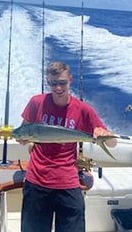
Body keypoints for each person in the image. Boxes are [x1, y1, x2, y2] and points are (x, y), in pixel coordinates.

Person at [18, 61, 117, 232]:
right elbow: (24, 131)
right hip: (37, 181)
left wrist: (103, 135)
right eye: (53, 83)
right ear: (48, 82)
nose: (58, 88)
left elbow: (112, 143)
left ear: (70, 80)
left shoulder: (83, 109)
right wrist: (23, 139)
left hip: (68, 182)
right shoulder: (36, 102)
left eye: (62, 82)